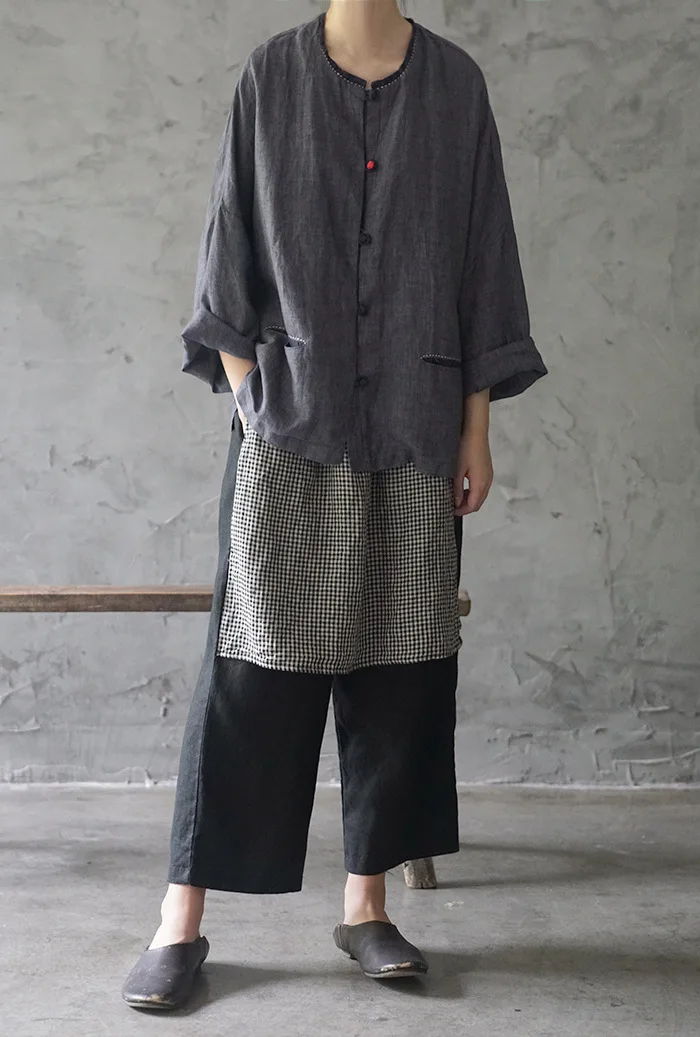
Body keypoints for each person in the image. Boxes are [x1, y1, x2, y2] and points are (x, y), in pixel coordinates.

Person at [122, 0, 547, 1009]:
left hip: (415, 418)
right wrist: (254, 398)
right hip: (292, 422)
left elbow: (483, 261)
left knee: (401, 664)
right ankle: (180, 918)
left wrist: (475, 429)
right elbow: (229, 247)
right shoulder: (271, 77)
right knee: (250, 671)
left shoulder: (456, 88)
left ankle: (366, 906)